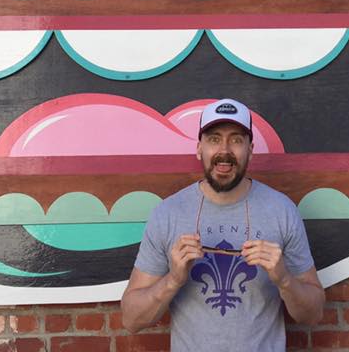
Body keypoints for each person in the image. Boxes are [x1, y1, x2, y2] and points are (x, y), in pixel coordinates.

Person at [120, 98, 325, 350]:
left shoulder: (281, 210)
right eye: (214, 139)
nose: (224, 150)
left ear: (250, 149)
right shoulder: (168, 214)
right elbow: (131, 319)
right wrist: (173, 280)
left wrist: (284, 279)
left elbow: (314, 314)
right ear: (199, 148)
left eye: (236, 140)